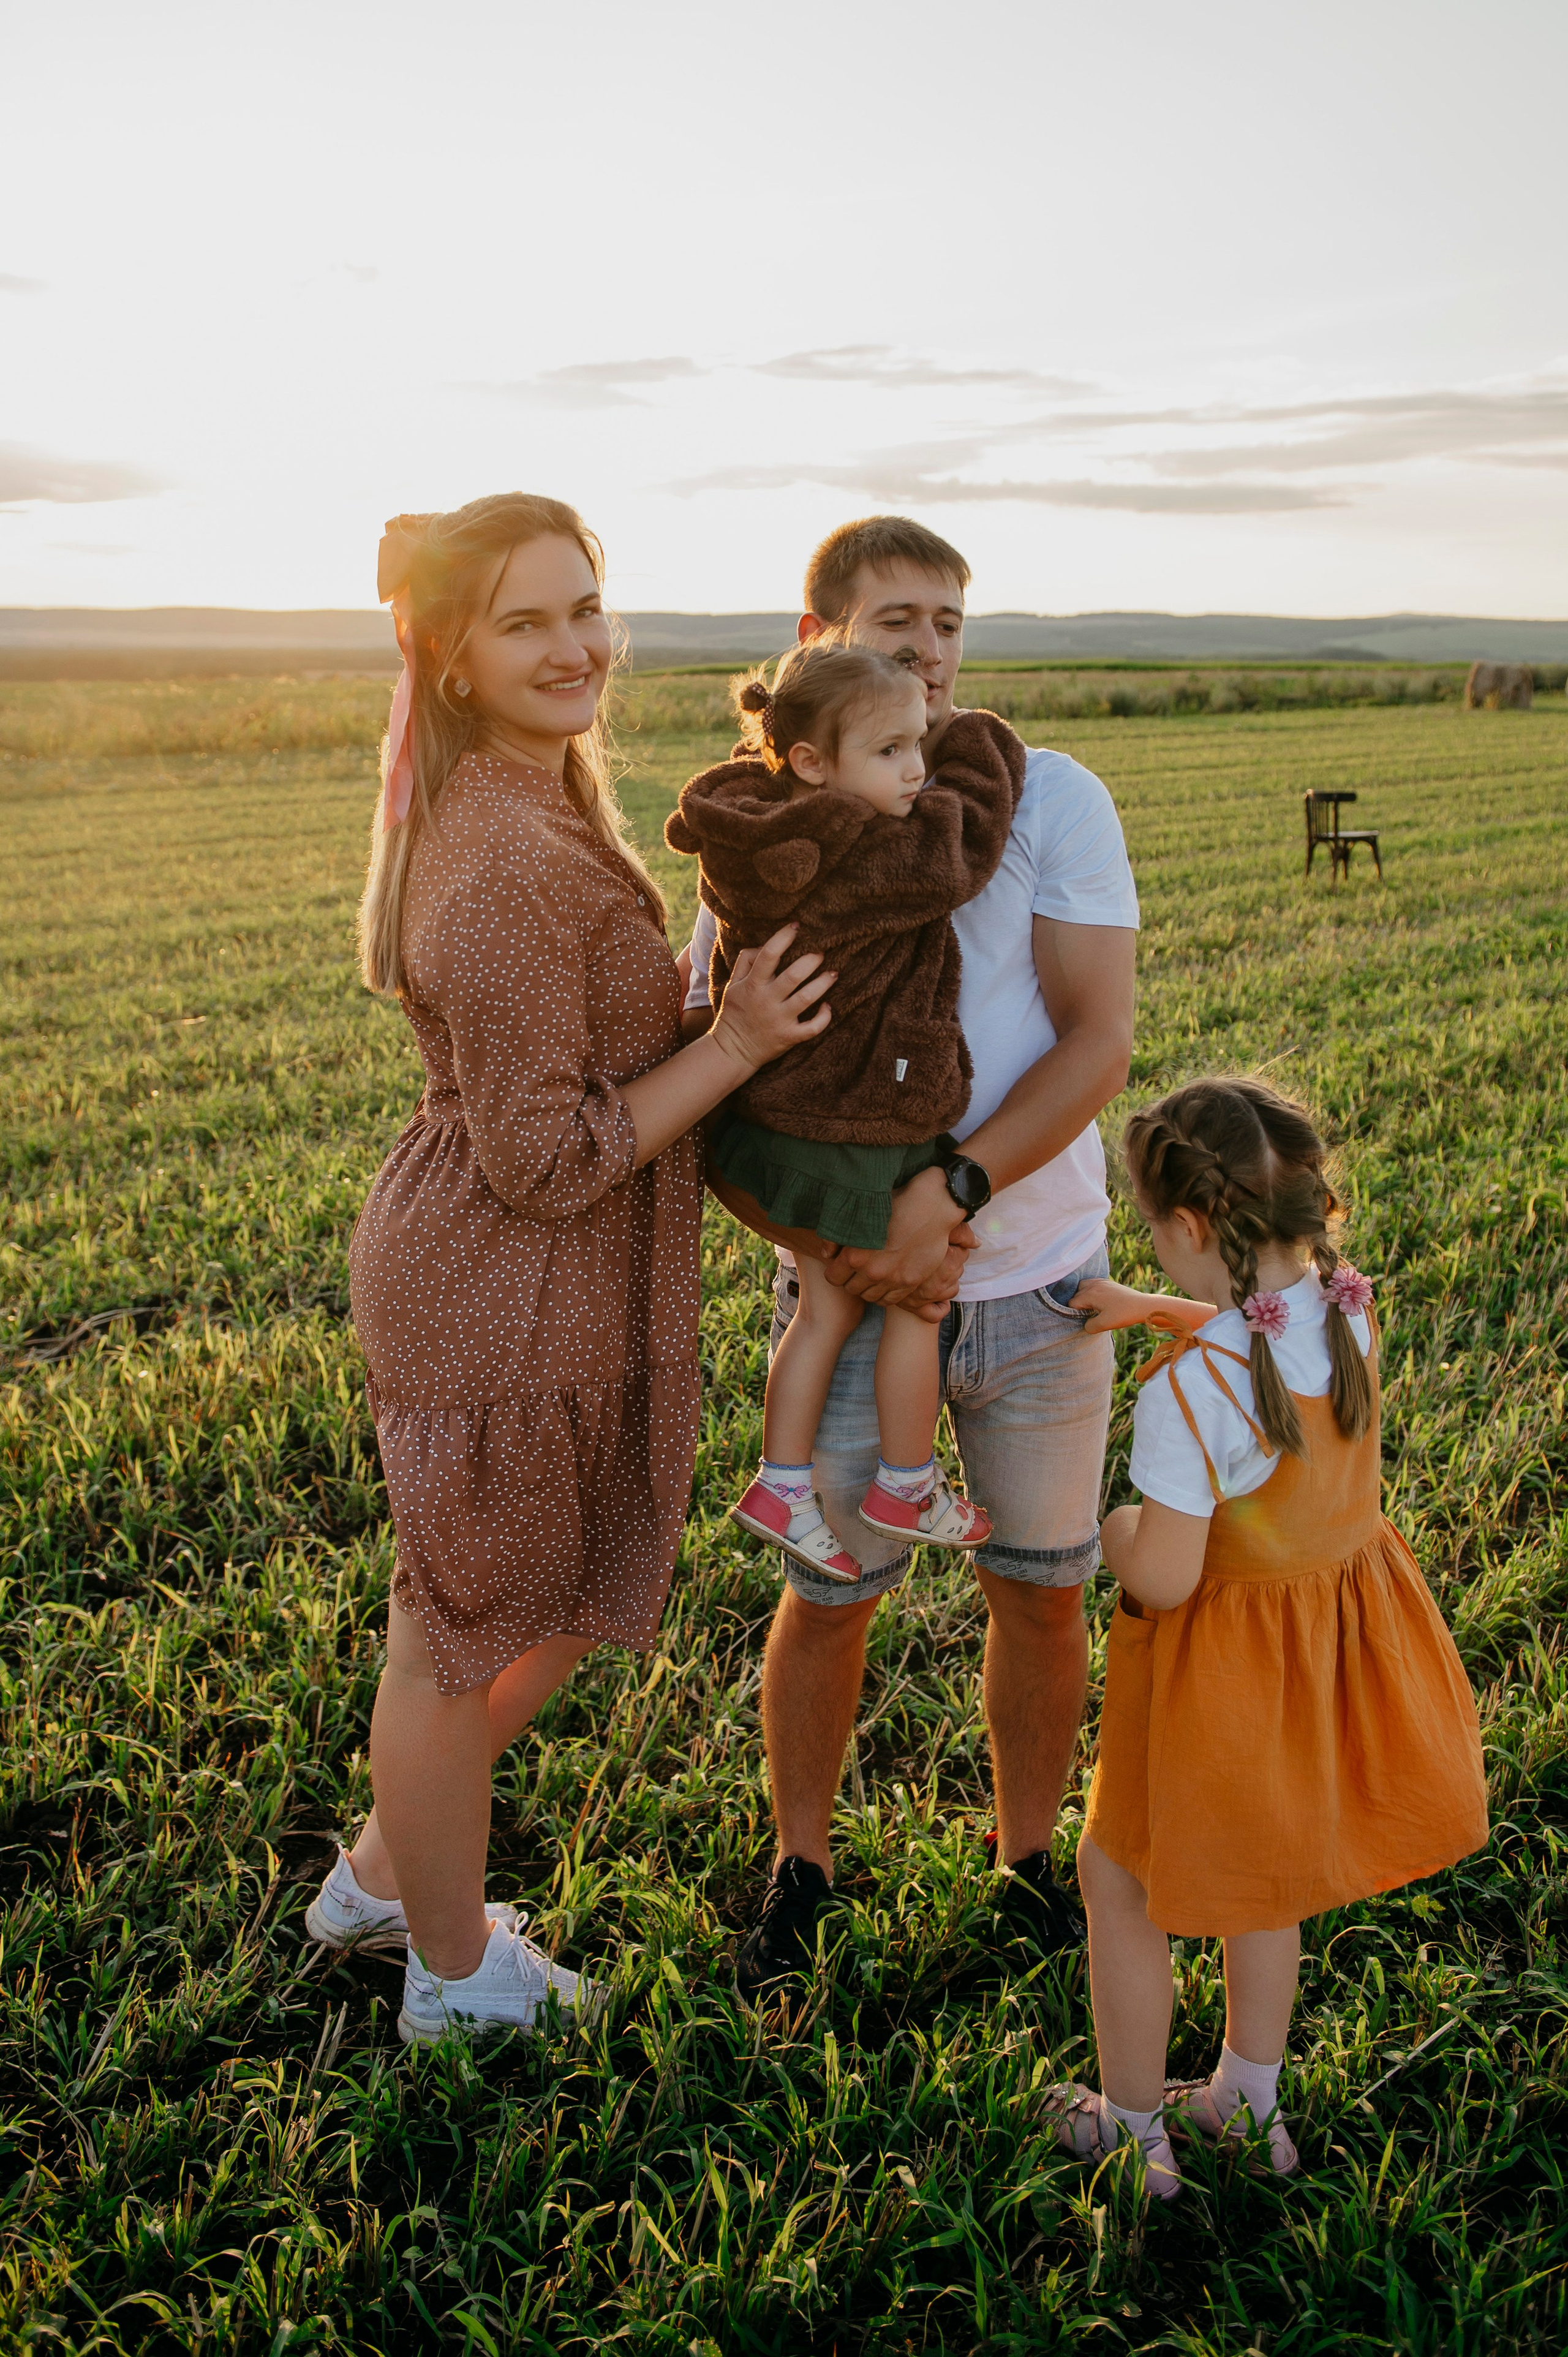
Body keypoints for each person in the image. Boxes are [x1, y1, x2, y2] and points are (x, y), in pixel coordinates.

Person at [306, 494, 834, 2042]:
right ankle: (452, 1975)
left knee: (508, 1610)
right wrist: (730, 1045)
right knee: (455, 1634)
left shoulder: (538, 803)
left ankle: (380, 1883)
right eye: (524, 620)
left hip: (526, 1281)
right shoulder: (495, 863)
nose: (573, 644)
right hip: (494, 1277)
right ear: (452, 658)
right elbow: (541, 1159)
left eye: (584, 606)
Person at [682, 517, 1139, 1994]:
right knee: (830, 1591)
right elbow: (726, 1077)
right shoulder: (771, 835)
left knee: (1043, 1585)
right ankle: (799, 1870)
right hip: (843, 1287)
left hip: (1042, 1280)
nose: (934, 646)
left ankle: (1021, 1862)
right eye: (899, 620)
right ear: (824, 642)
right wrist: (845, 1249)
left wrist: (947, 1193)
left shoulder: (1049, 797)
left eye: (950, 618)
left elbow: (1095, 1039)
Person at [1050, 1077, 1488, 2198]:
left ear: (1192, 1227)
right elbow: (1260, 1334)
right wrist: (1157, 1307)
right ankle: (1250, 2099)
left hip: (1220, 1679)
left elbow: (1171, 1570)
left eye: (1157, 1235)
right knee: (1268, 1885)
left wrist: (1111, 1530)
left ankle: (1137, 2138)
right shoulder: (1347, 1305)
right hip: (1323, 1659)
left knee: (1121, 1882)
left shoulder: (1188, 1402)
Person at [666, 637, 1025, 1581]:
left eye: (920, 747)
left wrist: (883, 729)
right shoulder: (869, 853)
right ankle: (904, 1484)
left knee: (822, 1313)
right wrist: (968, 735)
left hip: (779, 1120)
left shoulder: (759, 832)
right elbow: (969, 837)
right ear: (816, 763)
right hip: (861, 1125)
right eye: (893, 751)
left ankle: (781, 1483)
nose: (916, 770)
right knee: (919, 1301)